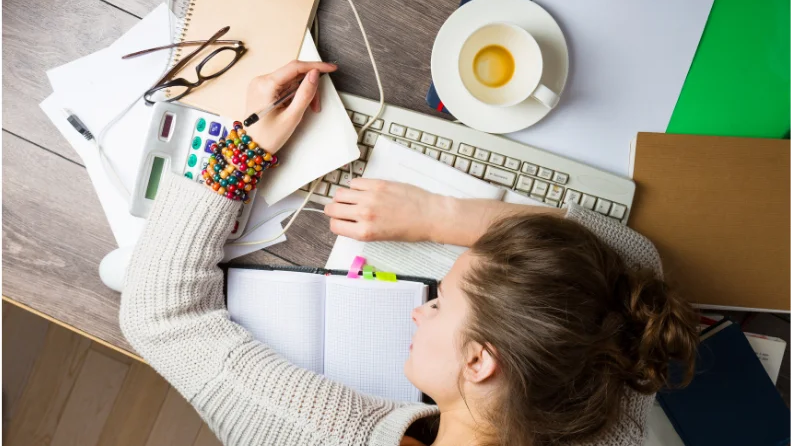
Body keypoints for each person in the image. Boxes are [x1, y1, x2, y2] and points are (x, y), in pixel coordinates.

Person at [120, 60, 699, 446]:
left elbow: (161, 315)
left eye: (441, 303)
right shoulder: (601, 404)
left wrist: (243, 144)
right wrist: (439, 216)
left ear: (480, 362)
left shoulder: (320, 434)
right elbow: (627, 251)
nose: (420, 309)